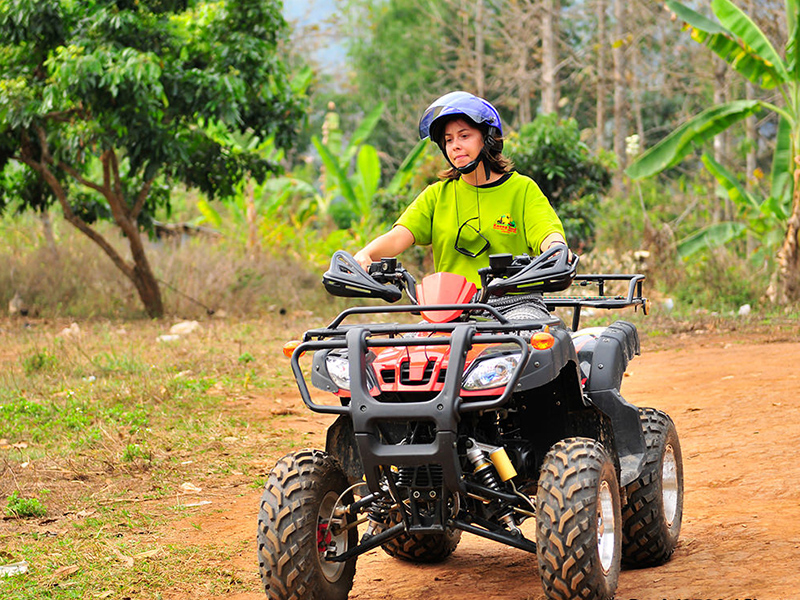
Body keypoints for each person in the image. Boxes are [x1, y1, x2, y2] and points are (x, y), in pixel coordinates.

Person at [354, 90, 569, 293]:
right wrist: (366, 254)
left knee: (530, 330)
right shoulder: (437, 195)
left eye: (464, 136)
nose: (455, 145)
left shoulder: (522, 189)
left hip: (514, 304)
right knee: (416, 334)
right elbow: (397, 237)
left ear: (489, 138)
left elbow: (547, 234)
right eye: (448, 140)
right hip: (448, 310)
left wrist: (557, 248)